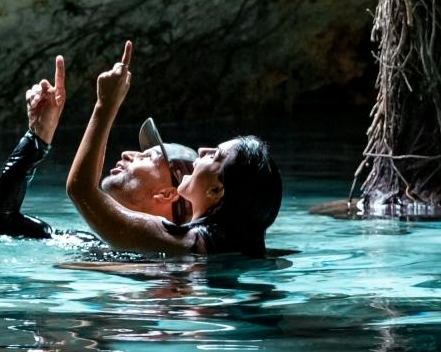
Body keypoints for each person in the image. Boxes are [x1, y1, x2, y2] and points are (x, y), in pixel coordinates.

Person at [65, 41, 281, 257]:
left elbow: (80, 190)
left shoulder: (178, 240)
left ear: (216, 190)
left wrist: (105, 104)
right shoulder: (234, 247)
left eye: (215, 155)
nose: (202, 150)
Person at [0, 54, 195, 240]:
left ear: (167, 193)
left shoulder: (167, 259)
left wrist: (106, 103)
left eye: (147, 158)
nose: (128, 153)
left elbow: (81, 190)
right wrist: (37, 137)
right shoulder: (87, 242)